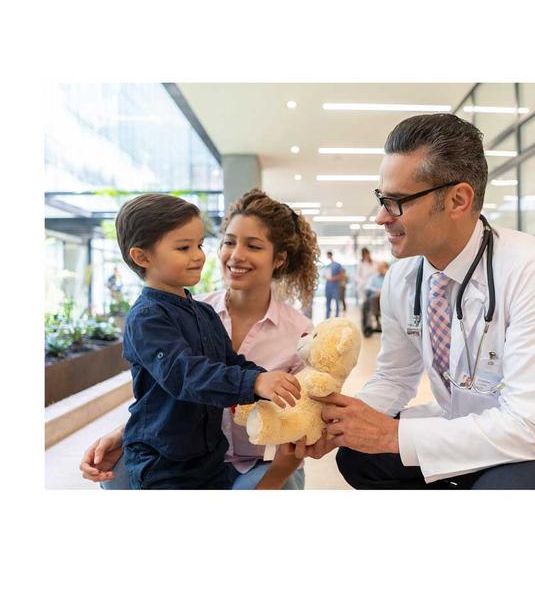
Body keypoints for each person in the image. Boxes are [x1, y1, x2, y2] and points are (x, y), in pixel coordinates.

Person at [286, 113, 535, 489]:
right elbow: (394, 378)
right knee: (358, 457)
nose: (380, 218)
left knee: (507, 490)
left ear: (458, 199)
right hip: (470, 425)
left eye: (396, 202)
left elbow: (531, 427)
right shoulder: (403, 278)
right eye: (381, 199)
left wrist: (390, 435)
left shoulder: (533, 268)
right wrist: (336, 423)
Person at [80, 190, 320, 490]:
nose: (199, 255)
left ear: (279, 259)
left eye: (199, 245)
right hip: (165, 460)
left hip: (220, 457)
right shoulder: (149, 317)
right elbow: (183, 374)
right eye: (229, 242)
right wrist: (255, 384)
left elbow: (231, 363)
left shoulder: (206, 313)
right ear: (142, 257)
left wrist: (260, 378)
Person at [364, 261, 389, 331]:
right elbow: (367, 287)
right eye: (379, 267)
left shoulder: (390, 277)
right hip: (376, 297)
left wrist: (384, 292)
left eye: (382, 267)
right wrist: (377, 290)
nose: (380, 269)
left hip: (387, 297)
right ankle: (377, 320)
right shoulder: (373, 278)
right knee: (375, 298)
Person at [324, 251, 342, 319]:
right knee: (328, 303)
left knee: (337, 302)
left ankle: (337, 316)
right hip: (328, 286)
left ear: (330, 255)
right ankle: (327, 317)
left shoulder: (337, 265)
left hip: (335, 287)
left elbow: (341, 275)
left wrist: (334, 278)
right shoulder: (327, 266)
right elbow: (326, 275)